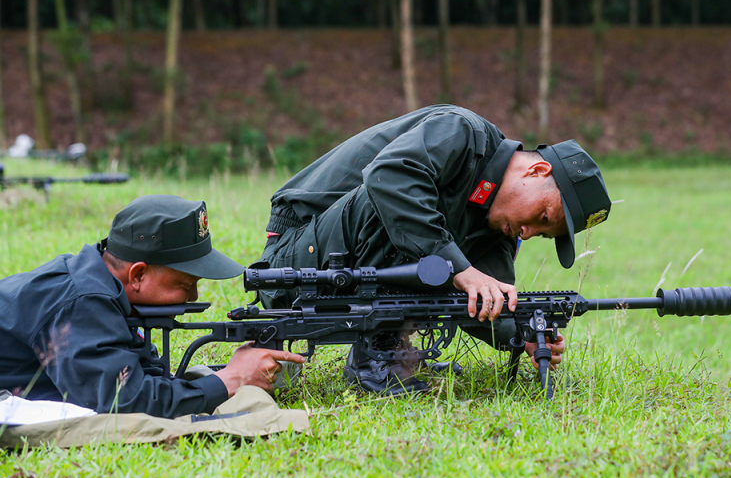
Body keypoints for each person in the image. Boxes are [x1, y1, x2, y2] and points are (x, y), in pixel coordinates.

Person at [258, 104, 611, 395]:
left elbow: (486, 299)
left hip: (333, 264)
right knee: (394, 191)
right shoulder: (461, 132)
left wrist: (524, 335)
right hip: (293, 261)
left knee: (450, 260)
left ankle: (394, 347)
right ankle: (375, 357)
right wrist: (460, 268)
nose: (529, 232)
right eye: (542, 215)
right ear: (536, 170)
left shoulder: (496, 223)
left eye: (543, 233)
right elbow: (388, 177)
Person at [0, 195, 304, 418]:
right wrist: (230, 379)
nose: (194, 296)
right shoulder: (81, 303)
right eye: (184, 285)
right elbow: (124, 401)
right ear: (138, 275)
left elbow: (135, 373)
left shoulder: (98, 285)